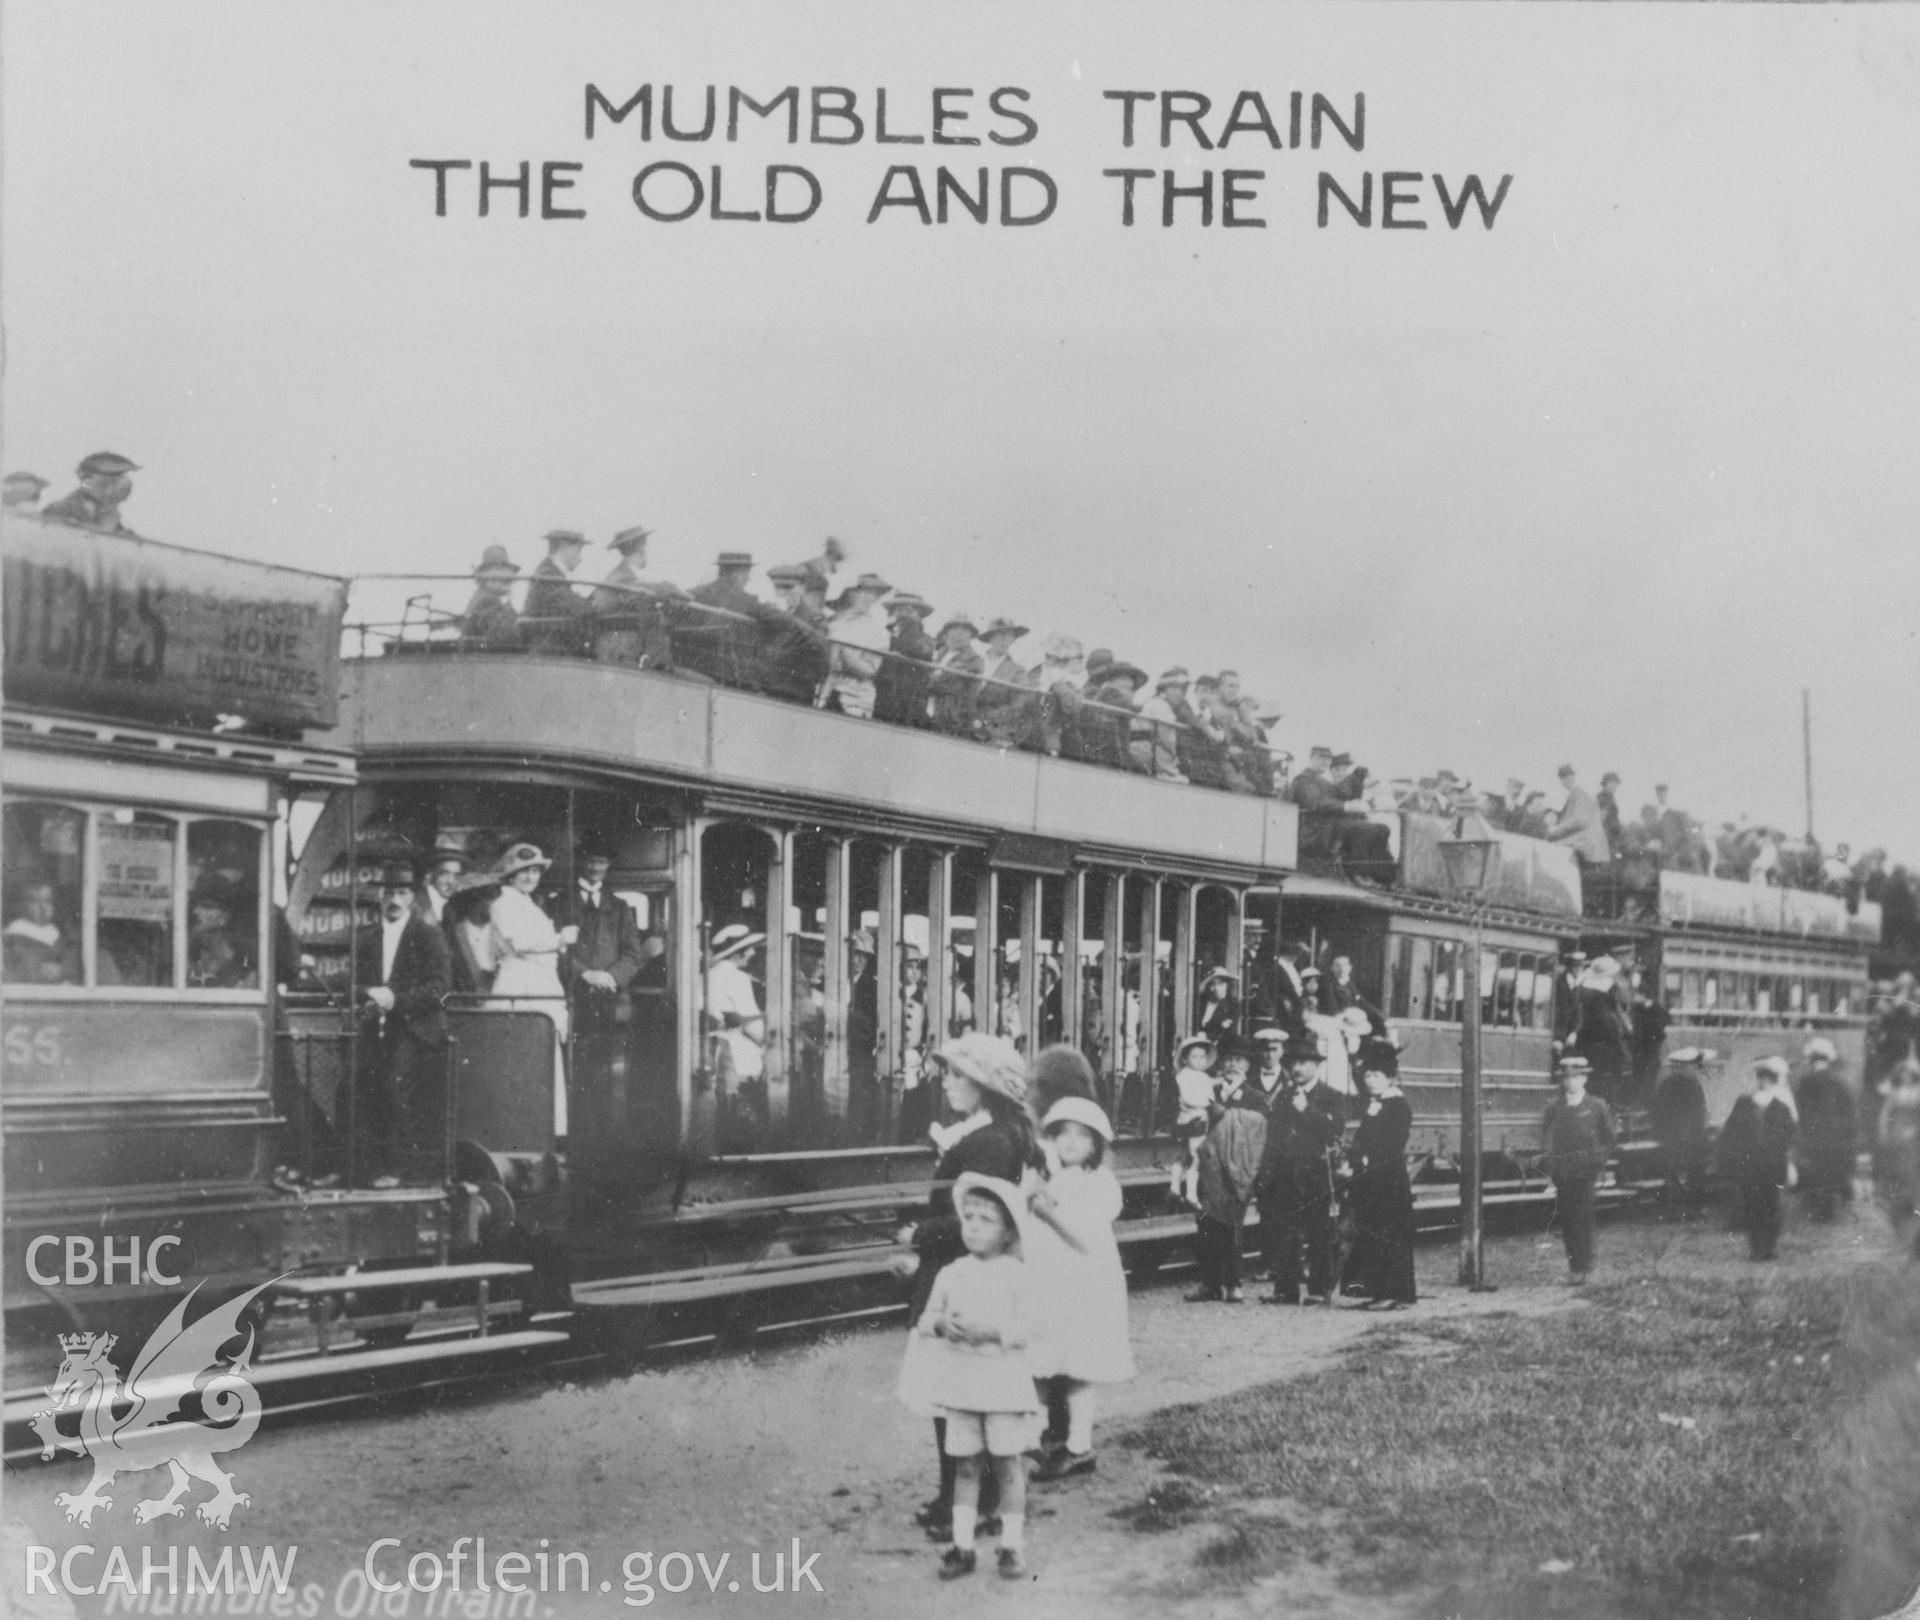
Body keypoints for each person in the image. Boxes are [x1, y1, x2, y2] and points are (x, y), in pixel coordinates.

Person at [893, 1034, 1038, 1545]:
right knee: (956, 1395)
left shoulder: (986, 1142)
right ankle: (968, 1496)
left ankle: (968, 1503)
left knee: (952, 1396)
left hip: (963, 1279)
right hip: (962, 1272)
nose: (947, 1082)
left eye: (957, 1075)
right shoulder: (994, 1135)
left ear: (984, 1085)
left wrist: (917, 1234)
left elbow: (974, 1220)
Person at [898, 1173, 1042, 1581]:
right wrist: (941, 1324)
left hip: (1002, 1388)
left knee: (1008, 1466)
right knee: (965, 1467)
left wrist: (993, 1333)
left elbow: (1032, 1329)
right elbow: (925, 1320)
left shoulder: (1016, 1275)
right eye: (969, 1217)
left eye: (986, 1219)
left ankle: (1011, 1545)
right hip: (961, 1386)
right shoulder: (952, 1273)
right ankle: (962, 1547)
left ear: (1008, 1231)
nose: (974, 1226)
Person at [1024, 1097, 1135, 1482]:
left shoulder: (1099, 1182)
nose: (1070, 1142)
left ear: (1096, 1145)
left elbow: (1085, 1239)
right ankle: (1040, 1438)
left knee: (1078, 1367)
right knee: (1043, 1362)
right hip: (1051, 1284)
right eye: (1062, 1134)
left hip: (1085, 1286)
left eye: (1081, 1136)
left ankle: (1078, 1445)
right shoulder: (1052, 1176)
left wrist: (1048, 1214)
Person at [330, 860, 452, 1187]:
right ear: (380, 896)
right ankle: (353, 1168)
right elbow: (349, 984)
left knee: (396, 1088)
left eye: (401, 892)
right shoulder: (366, 937)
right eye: (388, 892)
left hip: (414, 1028)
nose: (394, 900)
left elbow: (439, 988)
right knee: (349, 1089)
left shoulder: (427, 936)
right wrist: (370, 993)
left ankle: (399, 1170)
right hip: (373, 1026)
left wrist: (394, 1000)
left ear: (412, 897)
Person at [486, 842, 578, 1136]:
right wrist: (560, 939)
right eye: (523, 872)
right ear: (510, 875)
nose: (530, 877)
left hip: (538, 985)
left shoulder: (527, 904)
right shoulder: (503, 903)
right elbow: (520, 944)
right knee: (522, 1061)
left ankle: (539, 1131)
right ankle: (518, 1132)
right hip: (519, 988)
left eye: (535, 871)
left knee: (538, 1061)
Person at [1254, 1054, 1340, 1306]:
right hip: (1285, 1173)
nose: (1297, 1068)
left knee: (1318, 1232)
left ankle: (1318, 1290)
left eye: (1303, 1063)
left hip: (1315, 1173)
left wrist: (1306, 1110)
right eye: (1293, 1063)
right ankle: (1286, 1290)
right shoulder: (1284, 1095)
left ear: (1317, 1065)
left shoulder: (1331, 1095)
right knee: (1284, 1232)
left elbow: (1335, 1130)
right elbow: (1274, 1133)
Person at [1341, 1041, 1415, 1309]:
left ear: (1390, 1078)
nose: (1370, 1080)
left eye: (1376, 1076)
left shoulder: (1397, 1106)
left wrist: (1365, 1155)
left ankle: (1393, 1293)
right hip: (1372, 1179)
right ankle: (1377, 1291)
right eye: (1368, 1075)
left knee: (1388, 1233)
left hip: (1388, 1179)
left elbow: (1393, 1142)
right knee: (1372, 1232)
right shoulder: (1376, 1104)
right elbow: (1362, 1138)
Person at [1190, 1061, 1266, 1303]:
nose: (1232, 1066)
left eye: (1239, 1062)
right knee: (1205, 1225)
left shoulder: (1255, 1097)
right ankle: (1210, 1283)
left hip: (1233, 1172)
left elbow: (1261, 1127)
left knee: (1232, 1228)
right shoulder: (1207, 1091)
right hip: (1209, 1168)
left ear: (1246, 1067)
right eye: (1228, 1061)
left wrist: (1228, 1115)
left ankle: (1234, 1284)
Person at [1541, 1054, 1616, 1283]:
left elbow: (1609, 1139)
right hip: (1564, 1173)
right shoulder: (1555, 1107)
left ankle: (1585, 1266)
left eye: (1575, 1077)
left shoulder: (1596, 1106)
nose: (1570, 1082)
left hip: (1586, 1172)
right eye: (1566, 1078)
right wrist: (1551, 1167)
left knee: (1583, 1218)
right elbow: (1547, 1137)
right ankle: (1575, 1267)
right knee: (1568, 1220)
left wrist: (1598, 1160)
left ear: (1584, 1079)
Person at [1717, 1057, 1798, 1261]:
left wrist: (1786, 1161)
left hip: (1771, 1167)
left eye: (1767, 1079)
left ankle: (1768, 1247)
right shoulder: (1743, 1104)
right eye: (1760, 1078)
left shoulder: (1780, 1107)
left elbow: (1790, 1136)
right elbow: (1730, 1133)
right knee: (1752, 1206)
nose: (1763, 1082)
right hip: (1750, 1166)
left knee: (1771, 1206)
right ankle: (1755, 1248)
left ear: (1772, 1082)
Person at [704, 923, 769, 1133]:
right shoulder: (737, 977)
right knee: (741, 1114)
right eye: (748, 948)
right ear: (735, 953)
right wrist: (768, 1040)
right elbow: (752, 1025)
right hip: (736, 1055)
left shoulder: (708, 975)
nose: (752, 953)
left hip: (714, 1051)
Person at [590, 526, 680, 669]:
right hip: (622, 653)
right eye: (645, 546)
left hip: (626, 650)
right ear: (640, 548)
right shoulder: (621, 577)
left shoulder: (626, 576)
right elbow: (643, 590)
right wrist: (671, 589)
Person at [1795, 1035, 1857, 1223]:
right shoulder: (1838, 1082)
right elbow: (1849, 1111)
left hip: (1816, 1134)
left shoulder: (1806, 1082)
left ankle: (1821, 1211)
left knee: (1818, 1172)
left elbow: (1801, 1109)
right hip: (1834, 1135)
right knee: (1830, 1172)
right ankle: (1830, 1210)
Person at [1650, 1048, 1713, 1217]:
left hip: (1676, 1137)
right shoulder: (1690, 1084)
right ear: (1683, 1067)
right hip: (1687, 1137)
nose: (1695, 1069)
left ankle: (1676, 1209)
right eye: (1692, 1066)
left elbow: (1658, 1112)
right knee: (1689, 1173)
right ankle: (1689, 1209)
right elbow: (1696, 1113)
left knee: (1676, 1173)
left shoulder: (1669, 1084)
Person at [822, 572, 894, 717]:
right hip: (825, 692)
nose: (867, 597)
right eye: (862, 592)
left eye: (873, 594)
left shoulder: (878, 632)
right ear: (851, 595)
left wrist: (845, 650)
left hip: (855, 699)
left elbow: (869, 670)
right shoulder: (834, 624)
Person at [522, 529, 594, 656]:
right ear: (564, 547)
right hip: (549, 653)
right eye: (578, 551)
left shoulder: (551, 572)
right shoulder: (547, 574)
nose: (580, 558)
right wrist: (594, 603)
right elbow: (568, 602)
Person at [1875, 1060, 1920, 1258]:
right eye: (1901, 1075)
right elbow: (1884, 1116)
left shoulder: (1919, 1093)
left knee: (1911, 1180)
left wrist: (1913, 1131)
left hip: (1914, 1143)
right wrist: (1885, 1134)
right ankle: (1900, 1224)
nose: (1904, 1078)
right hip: (1895, 1143)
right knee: (1896, 1182)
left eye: (1908, 1075)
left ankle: (1912, 1217)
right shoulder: (1893, 1094)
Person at [4, 877, 81, 985]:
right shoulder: (17, 929)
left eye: (48, 901)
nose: (43, 908)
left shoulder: (55, 930)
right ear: (23, 905)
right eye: (34, 902)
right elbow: (21, 966)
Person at [1168, 1034, 1217, 1203]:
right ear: (1185, 1059)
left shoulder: (1203, 1077)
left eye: (1202, 1057)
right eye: (1194, 1057)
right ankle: (1190, 1193)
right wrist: (1206, 1102)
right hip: (1193, 1120)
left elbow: (1211, 1093)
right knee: (1195, 1156)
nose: (1199, 1061)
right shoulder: (1184, 1076)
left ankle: (1175, 1188)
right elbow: (1190, 1098)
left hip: (1194, 1119)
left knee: (1186, 1155)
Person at [973, 617, 1035, 749]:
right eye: (1000, 635)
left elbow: (1016, 706)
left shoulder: (1017, 671)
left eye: (1009, 636)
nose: (1004, 640)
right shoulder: (973, 663)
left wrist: (984, 719)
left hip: (993, 732)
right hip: (963, 725)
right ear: (990, 638)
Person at [40, 450, 138, 533]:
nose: (120, 482)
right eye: (112, 475)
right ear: (87, 477)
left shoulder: (113, 517)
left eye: (121, 476)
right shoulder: (58, 509)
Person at [876, 593, 936, 727]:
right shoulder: (884, 634)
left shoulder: (926, 640)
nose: (903, 614)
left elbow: (920, 650)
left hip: (909, 701)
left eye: (909, 610)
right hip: (883, 696)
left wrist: (910, 627)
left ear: (920, 615)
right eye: (899, 609)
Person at [187, 881, 253, 988]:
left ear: (225, 915)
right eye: (196, 905)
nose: (196, 911)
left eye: (206, 906)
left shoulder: (236, 953)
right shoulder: (196, 942)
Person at [928, 613, 985, 735]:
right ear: (947, 633)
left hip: (951, 719)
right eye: (954, 629)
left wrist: (928, 679)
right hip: (930, 712)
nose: (959, 634)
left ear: (971, 635)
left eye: (964, 630)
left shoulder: (974, 660)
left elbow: (951, 685)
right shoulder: (942, 653)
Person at [1131, 669, 1192, 782]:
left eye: (1183, 690)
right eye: (1175, 688)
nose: (1181, 693)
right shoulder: (1162, 708)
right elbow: (1169, 743)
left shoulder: (1153, 703)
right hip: (1153, 761)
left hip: (1147, 756)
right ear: (1164, 689)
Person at [459, 546, 523, 650]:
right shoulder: (486, 601)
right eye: (501, 571)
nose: (509, 578)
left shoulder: (487, 598)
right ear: (487, 576)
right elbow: (507, 636)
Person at [1548, 765, 1612, 866]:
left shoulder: (1580, 793)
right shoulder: (1578, 793)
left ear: (1573, 777)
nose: (1564, 781)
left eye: (1566, 777)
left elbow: (1579, 821)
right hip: (1591, 846)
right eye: (1562, 778)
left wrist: (1555, 830)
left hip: (1587, 847)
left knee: (1552, 852)